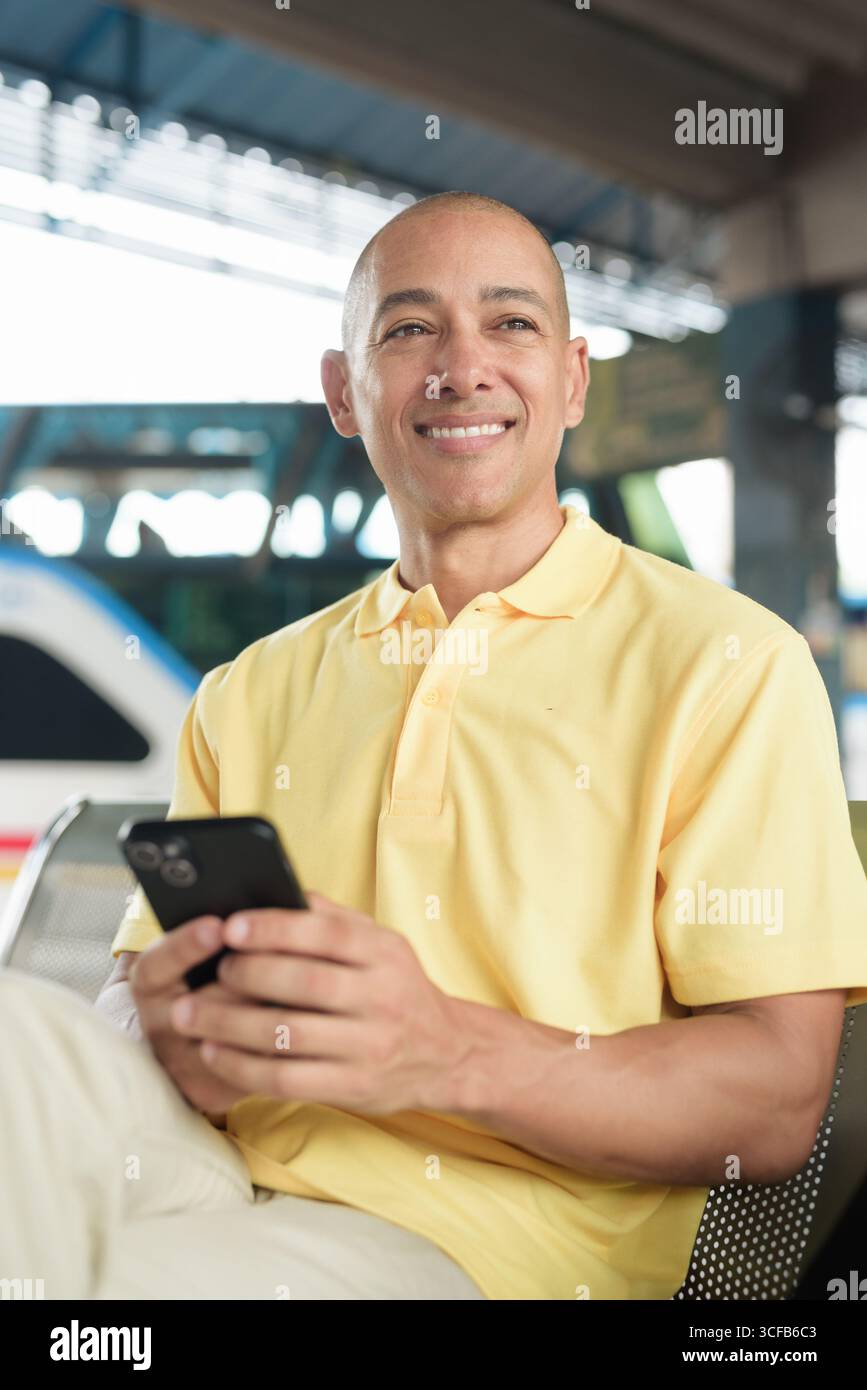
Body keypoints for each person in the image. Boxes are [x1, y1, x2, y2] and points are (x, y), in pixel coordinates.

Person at [3, 191, 867, 1302]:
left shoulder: (728, 665)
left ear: (573, 378)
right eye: (409, 329)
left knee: (104, 1287)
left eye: (510, 323)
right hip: (204, 1149)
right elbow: (133, 993)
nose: (463, 365)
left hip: (470, 1242)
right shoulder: (248, 690)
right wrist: (162, 1015)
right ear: (343, 392)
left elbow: (776, 1104)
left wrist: (440, 1049)